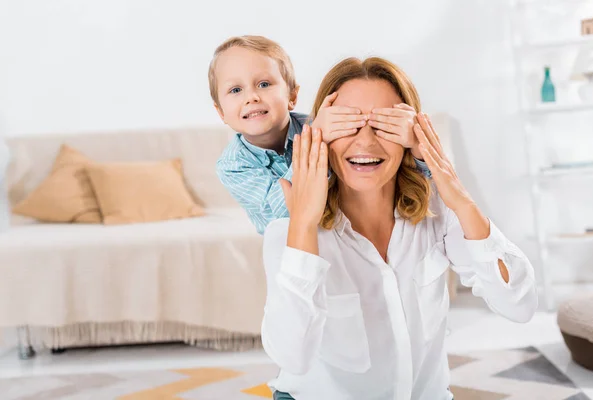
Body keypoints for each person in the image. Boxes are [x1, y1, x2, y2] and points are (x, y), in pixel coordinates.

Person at [261, 57, 538, 400]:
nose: (364, 142)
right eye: (347, 124)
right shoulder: (287, 231)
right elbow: (292, 357)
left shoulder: (438, 213)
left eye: (384, 124)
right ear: (322, 137)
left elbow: (520, 305)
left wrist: (460, 197)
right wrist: (303, 226)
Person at [209, 35, 430, 234]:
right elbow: (284, 214)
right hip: (290, 242)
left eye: (264, 84)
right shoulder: (233, 165)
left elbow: (425, 178)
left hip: (342, 231)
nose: (252, 97)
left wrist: (416, 144)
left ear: (292, 96)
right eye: (236, 90)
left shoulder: (318, 124)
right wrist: (315, 140)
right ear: (221, 113)